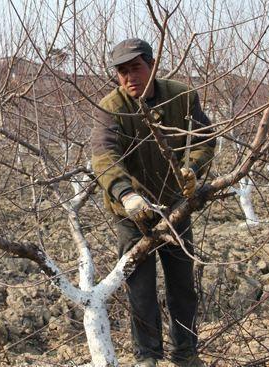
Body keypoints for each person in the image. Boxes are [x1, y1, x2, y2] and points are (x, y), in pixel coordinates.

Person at [91, 38, 215, 366]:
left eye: (136, 68)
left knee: (182, 285)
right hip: (130, 213)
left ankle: (186, 353)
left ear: (152, 65)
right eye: (122, 71)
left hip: (174, 205)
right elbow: (104, 155)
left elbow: (204, 140)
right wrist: (126, 193)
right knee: (140, 289)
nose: (129, 77)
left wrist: (192, 168)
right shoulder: (111, 107)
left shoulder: (182, 96)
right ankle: (147, 356)